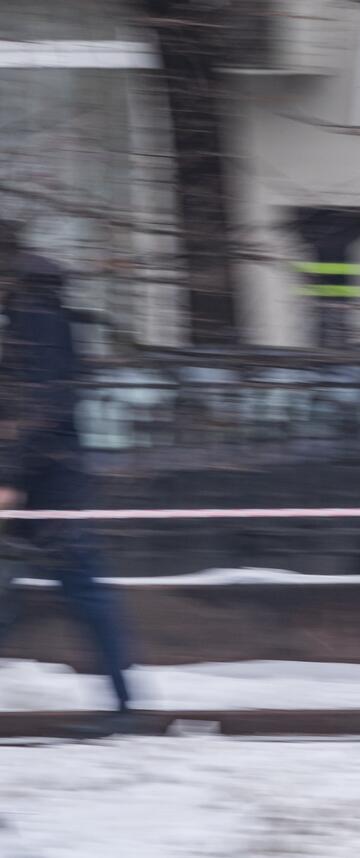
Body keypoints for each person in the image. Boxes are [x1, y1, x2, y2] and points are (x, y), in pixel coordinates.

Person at [0, 219, 134, 717]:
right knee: (69, 589)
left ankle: (125, 704)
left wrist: (10, 480)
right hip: (42, 477)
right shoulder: (27, 311)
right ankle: (124, 702)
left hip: (49, 481)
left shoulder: (36, 316)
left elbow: (43, 405)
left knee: (83, 589)